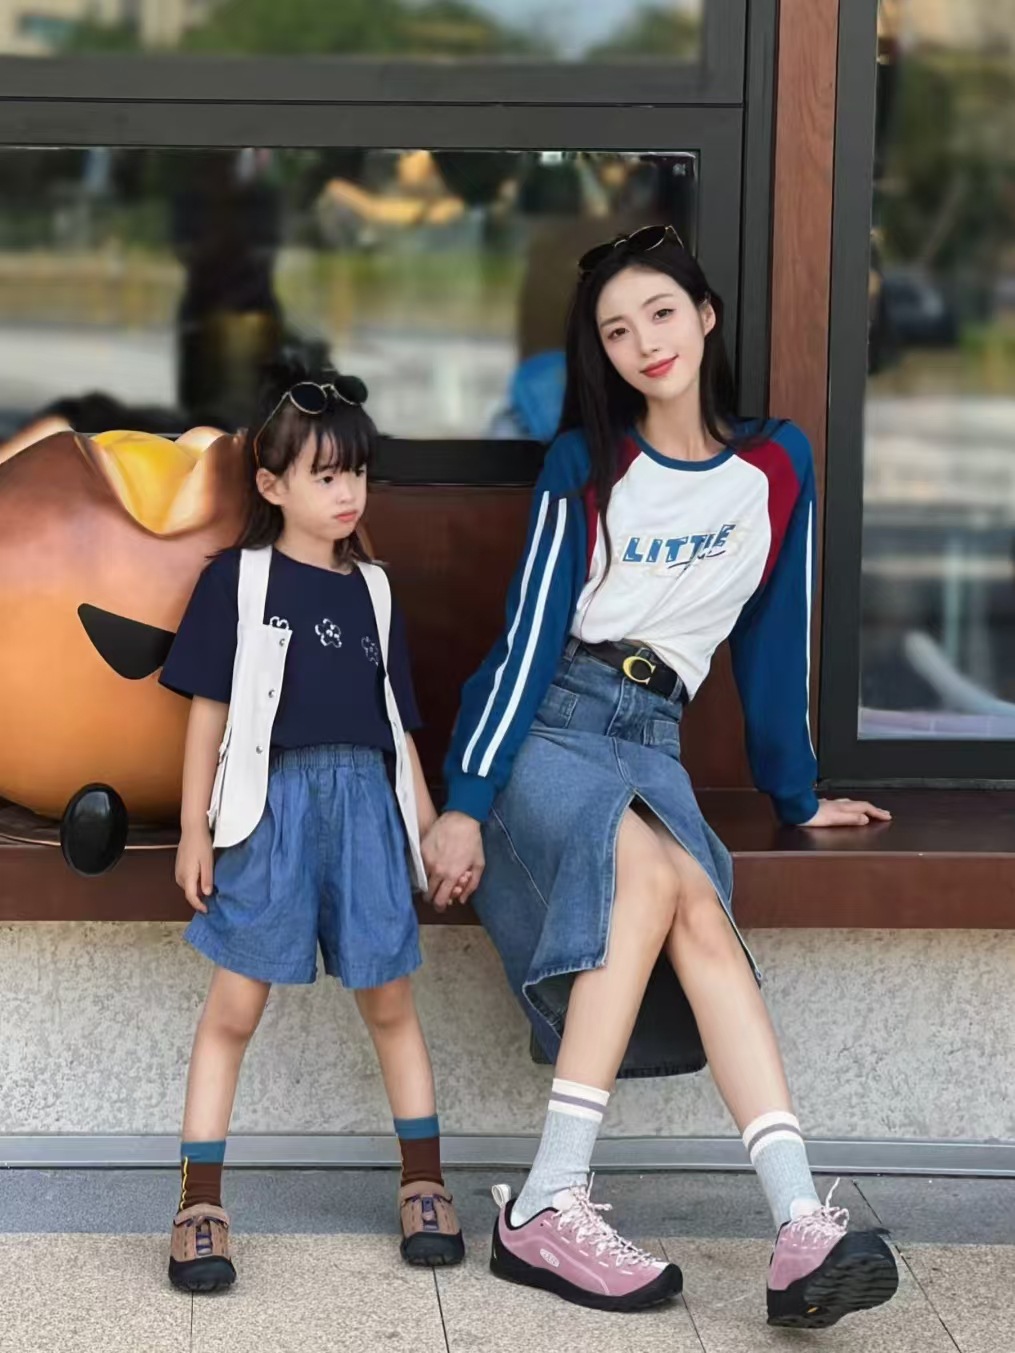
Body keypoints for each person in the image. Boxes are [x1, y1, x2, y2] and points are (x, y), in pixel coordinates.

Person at [423, 225, 899, 1329]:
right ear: (600, 353)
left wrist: (795, 795)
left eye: (661, 314)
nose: (644, 342)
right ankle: (547, 1200)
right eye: (615, 330)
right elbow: (528, 638)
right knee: (648, 878)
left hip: (651, 737)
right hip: (551, 722)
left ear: (705, 316)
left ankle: (797, 1227)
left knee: (698, 904)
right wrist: (467, 800)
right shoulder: (587, 463)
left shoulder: (776, 465)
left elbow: (774, 643)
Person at [159, 360, 469, 1292]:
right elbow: (208, 712)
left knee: (390, 1001)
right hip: (270, 810)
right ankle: (199, 1202)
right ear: (271, 484)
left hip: (365, 811)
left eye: (356, 472)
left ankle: (424, 1183)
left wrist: (427, 827)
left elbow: (396, 724)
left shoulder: (373, 589)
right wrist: (195, 830)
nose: (347, 492)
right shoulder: (239, 580)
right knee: (234, 1009)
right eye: (325, 475)